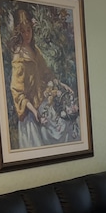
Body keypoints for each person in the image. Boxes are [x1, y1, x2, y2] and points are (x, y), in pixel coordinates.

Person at [9, 8, 75, 148]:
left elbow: (46, 73)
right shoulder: (18, 59)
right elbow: (18, 93)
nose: (27, 34)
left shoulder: (35, 50)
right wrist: (34, 112)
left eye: (29, 30)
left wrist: (61, 84)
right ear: (18, 33)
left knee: (64, 132)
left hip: (44, 103)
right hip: (31, 113)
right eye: (23, 31)